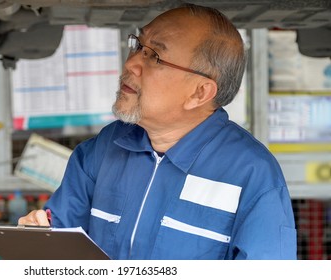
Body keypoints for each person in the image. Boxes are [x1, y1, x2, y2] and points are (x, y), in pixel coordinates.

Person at [18, 3, 297, 260]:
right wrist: (39, 239)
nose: (131, 63)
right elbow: (60, 243)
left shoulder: (251, 174)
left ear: (199, 92)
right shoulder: (106, 147)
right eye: (138, 46)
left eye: (154, 56)